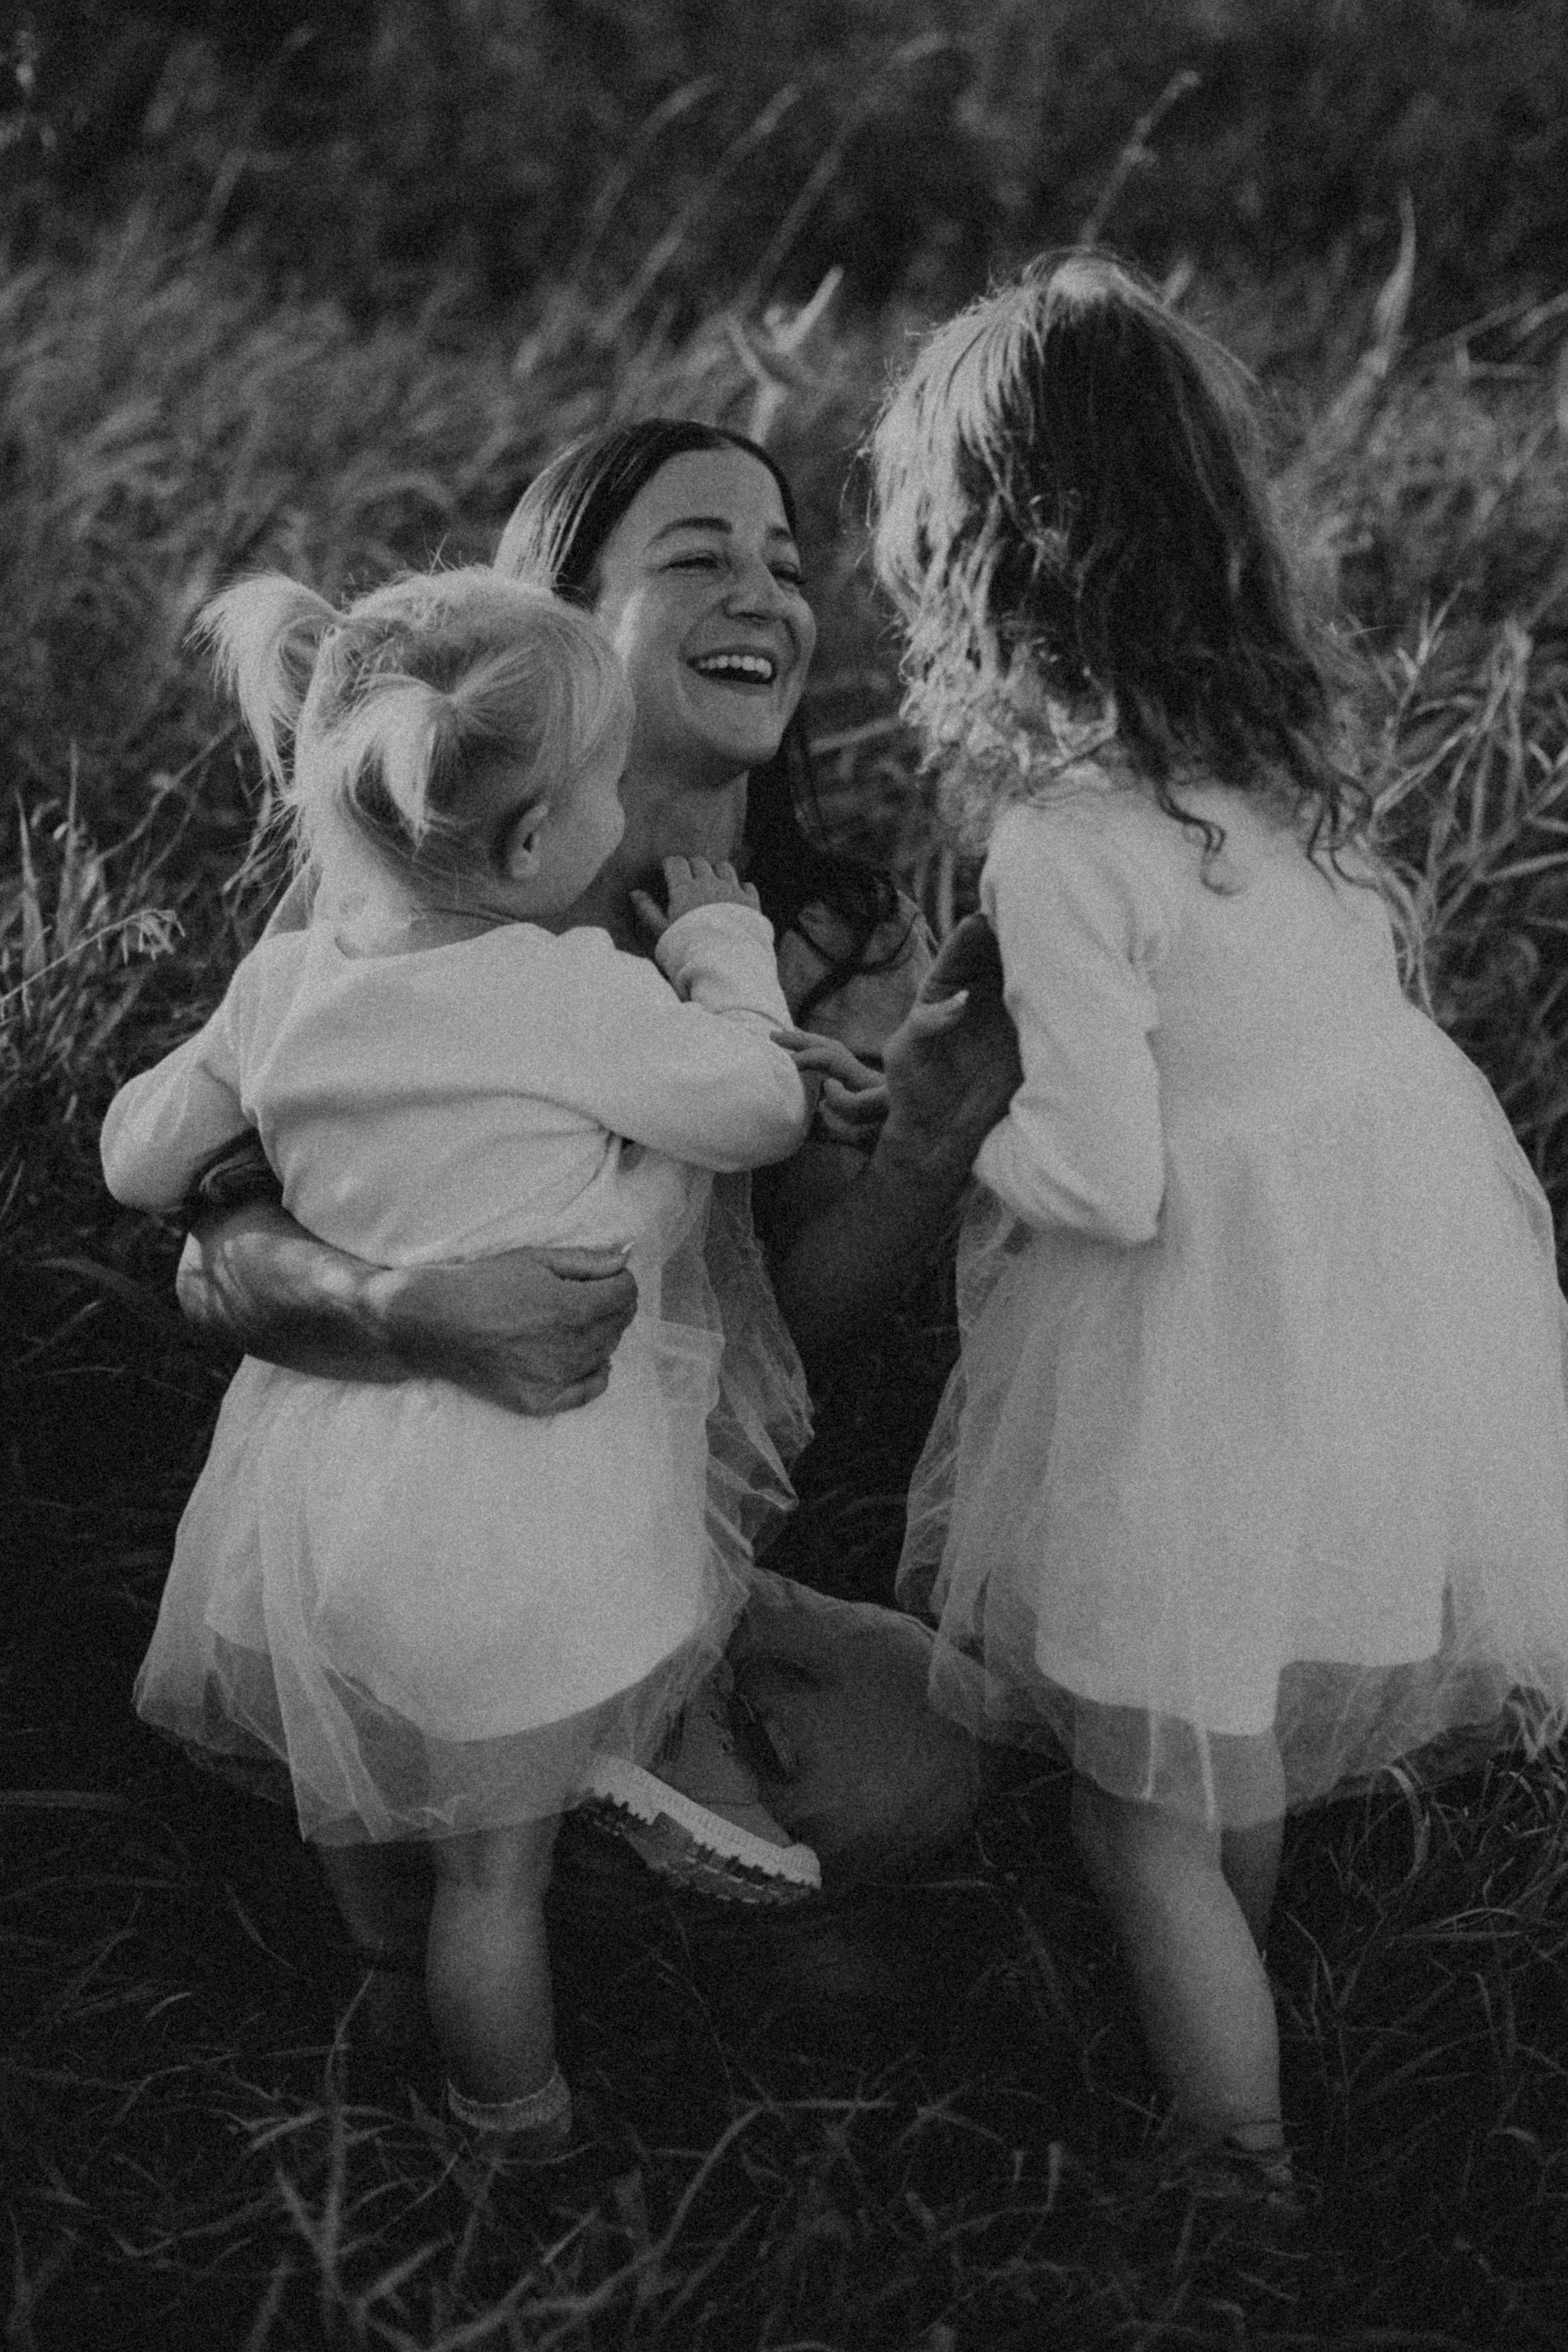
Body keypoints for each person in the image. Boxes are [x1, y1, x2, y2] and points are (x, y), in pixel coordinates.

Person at [869, 251, 1568, 2190]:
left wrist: (951, 1126)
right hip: (1368, 1334)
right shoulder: (1281, 783)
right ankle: (1237, 2006)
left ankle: (1232, 2176)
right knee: (1218, 1736)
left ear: (980, 556)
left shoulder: (1067, 843)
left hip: (1186, 1351)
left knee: (1140, 1816)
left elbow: (1103, 1177)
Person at [170, 421, 1019, 1932]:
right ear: (559, 615)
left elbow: (772, 1352)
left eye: (781, 562)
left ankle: (533, 1869)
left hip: (620, 1539)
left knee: (927, 1749)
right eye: (696, 559)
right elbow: (211, 1248)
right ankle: (504, 1887)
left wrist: (917, 1159)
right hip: (386, 1513)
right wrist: (406, 1310)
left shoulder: (835, 940)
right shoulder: (412, 869)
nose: (761, 594)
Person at [100, 562, 828, 2158]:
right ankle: (518, 2129)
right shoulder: (568, 992)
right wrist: (721, 948)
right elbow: (763, 1106)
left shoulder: (285, 986)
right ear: (531, 845)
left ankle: (380, 1989)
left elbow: (139, 1161)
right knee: (493, 1885)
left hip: (315, 1497)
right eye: (605, 787)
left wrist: (226, 1065)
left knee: (370, 1792)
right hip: (511, 1512)